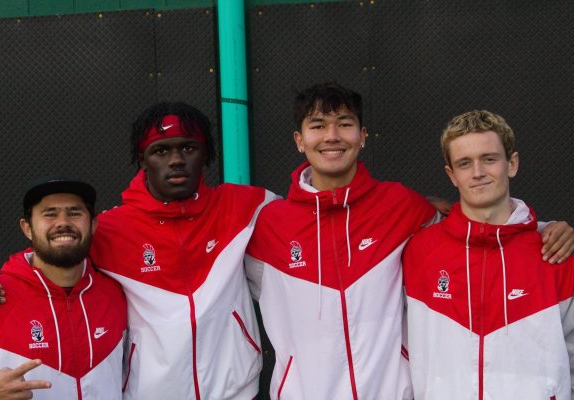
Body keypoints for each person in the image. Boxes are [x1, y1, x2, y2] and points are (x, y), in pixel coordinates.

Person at [244, 83, 574, 399]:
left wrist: (543, 230)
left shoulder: (402, 206)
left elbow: (483, 230)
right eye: (318, 125)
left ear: (362, 137)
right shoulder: (268, 224)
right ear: (299, 140)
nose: (332, 136)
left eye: (344, 124)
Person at [0, 103, 276, 399]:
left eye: (188, 148)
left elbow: (307, 222)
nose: (175, 160)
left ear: (206, 154)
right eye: (160, 150)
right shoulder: (109, 228)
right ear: (142, 159)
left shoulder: (248, 206)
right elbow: (52, 251)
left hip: (235, 391)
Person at [402, 110, 574, 399]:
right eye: (465, 163)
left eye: (489, 159)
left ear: (512, 164)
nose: (478, 172)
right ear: (451, 175)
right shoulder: (419, 251)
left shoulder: (554, 251)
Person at [0, 177, 127, 400]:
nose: (63, 222)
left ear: (93, 224)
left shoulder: (117, 294)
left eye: (74, 213)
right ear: (27, 228)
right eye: (50, 214)